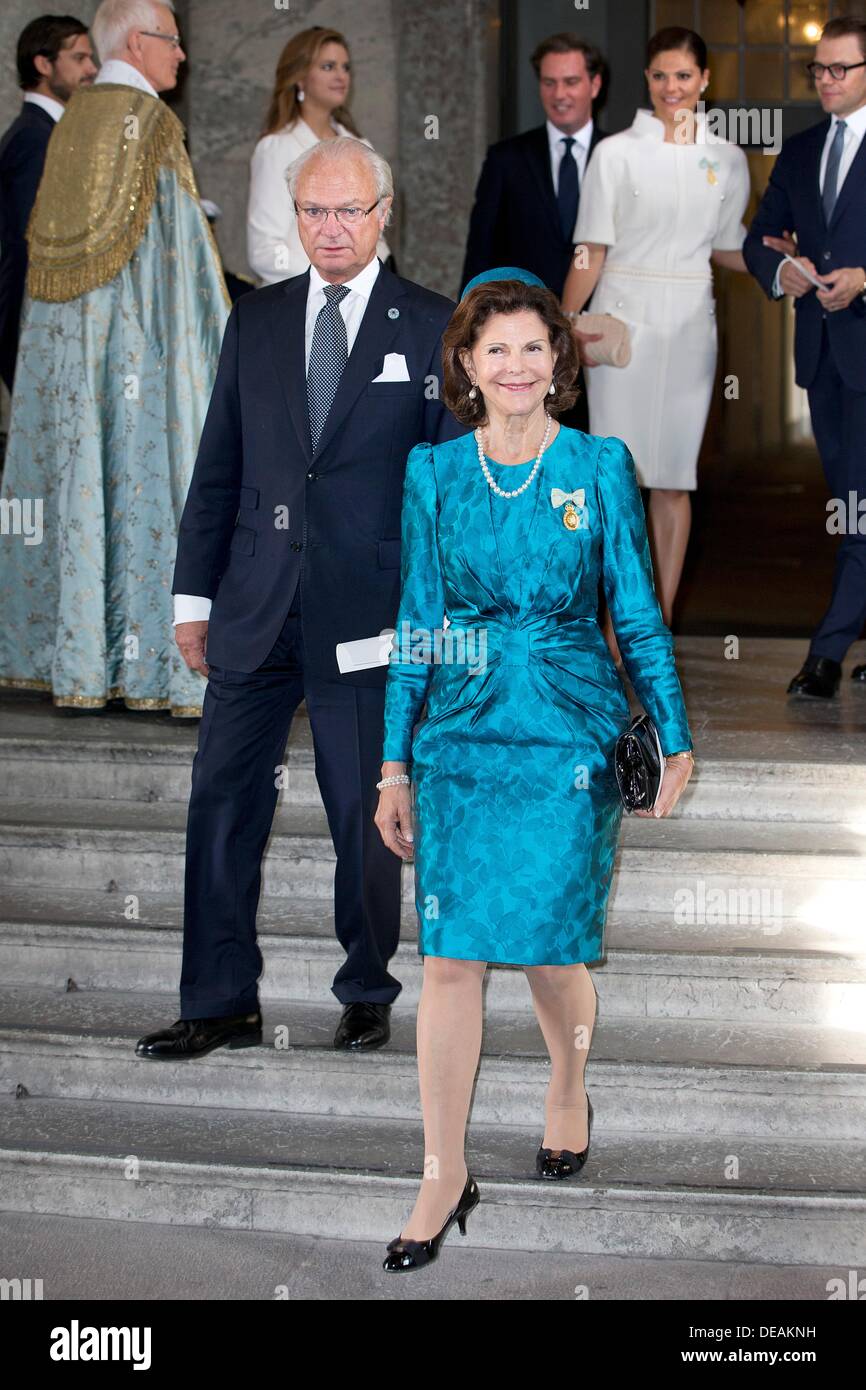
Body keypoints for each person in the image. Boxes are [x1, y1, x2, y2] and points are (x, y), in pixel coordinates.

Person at [375, 268, 694, 1272]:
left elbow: (634, 614)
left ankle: (566, 1075)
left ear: (558, 362)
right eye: (495, 349)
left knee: (553, 951)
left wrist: (672, 734)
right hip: (460, 736)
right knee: (447, 957)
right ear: (465, 366)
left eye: (531, 347)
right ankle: (441, 1169)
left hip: (568, 732)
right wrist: (392, 764)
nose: (515, 365)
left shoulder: (599, 465)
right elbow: (418, 627)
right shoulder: (431, 474)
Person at [135, 137, 462, 1064]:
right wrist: (191, 598)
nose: (330, 229)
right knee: (221, 801)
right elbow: (219, 467)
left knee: (368, 813)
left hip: (372, 614)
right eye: (313, 211)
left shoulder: (431, 324)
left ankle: (365, 988)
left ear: (383, 214)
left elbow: (446, 497)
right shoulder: (260, 319)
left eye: (348, 211)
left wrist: (435, 623)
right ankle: (218, 999)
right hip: (253, 603)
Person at [0, 0, 230, 716]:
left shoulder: (74, 122)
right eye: (173, 41)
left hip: (75, 372)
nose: (182, 57)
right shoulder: (149, 122)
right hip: (142, 367)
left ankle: (78, 662)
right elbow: (185, 264)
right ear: (139, 40)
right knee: (149, 491)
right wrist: (223, 349)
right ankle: (158, 668)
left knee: (85, 494)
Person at [562, 26, 750, 640]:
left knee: (673, 478)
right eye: (661, 75)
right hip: (622, 324)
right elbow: (591, 248)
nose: (673, 87)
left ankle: (653, 629)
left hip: (691, 326)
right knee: (619, 480)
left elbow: (729, 248)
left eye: (684, 76)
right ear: (647, 80)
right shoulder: (615, 153)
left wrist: (790, 263)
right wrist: (563, 326)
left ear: (704, 82)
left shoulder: (727, 158)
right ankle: (612, 624)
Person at [744, 16, 866, 698]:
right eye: (818, 69)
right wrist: (781, 272)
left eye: (839, 69)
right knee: (852, 499)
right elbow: (764, 236)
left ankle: (827, 649)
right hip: (822, 355)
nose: (825, 79)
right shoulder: (799, 150)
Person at [461, 33, 607, 300]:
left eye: (571, 82)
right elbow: (480, 252)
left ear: (595, 85)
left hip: (602, 318)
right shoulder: (505, 159)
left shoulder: (617, 156)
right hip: (524, 320)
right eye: (549, 82)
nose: (559, 94)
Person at [246, 25, 391, 285]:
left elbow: (375, 233)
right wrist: (332, 277)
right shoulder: (277, 147)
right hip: (301, 300)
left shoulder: (360, 143)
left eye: (345, 67)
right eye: (328, 67)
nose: (341, 76)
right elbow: (264, 250)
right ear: (299, 78)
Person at [0, 14, 97, 392]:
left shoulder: (48, 133)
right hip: (35, 324)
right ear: (44, 64)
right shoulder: (34, 138)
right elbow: (39, 242)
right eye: (79, 58)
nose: (92, 69)